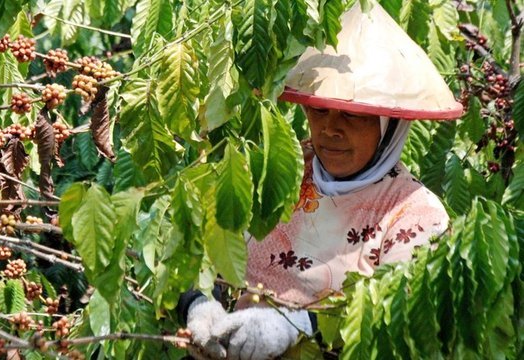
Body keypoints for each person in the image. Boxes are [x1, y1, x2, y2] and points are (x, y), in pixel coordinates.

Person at [178, 1, 464, 359]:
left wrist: (291, 325)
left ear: (389, 124)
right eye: (320, 109)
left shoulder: (416, 217)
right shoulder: (278, 169)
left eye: (352, 114)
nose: (330, 129)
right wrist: (198, 303)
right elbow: (202, 246)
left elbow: (390, 317)